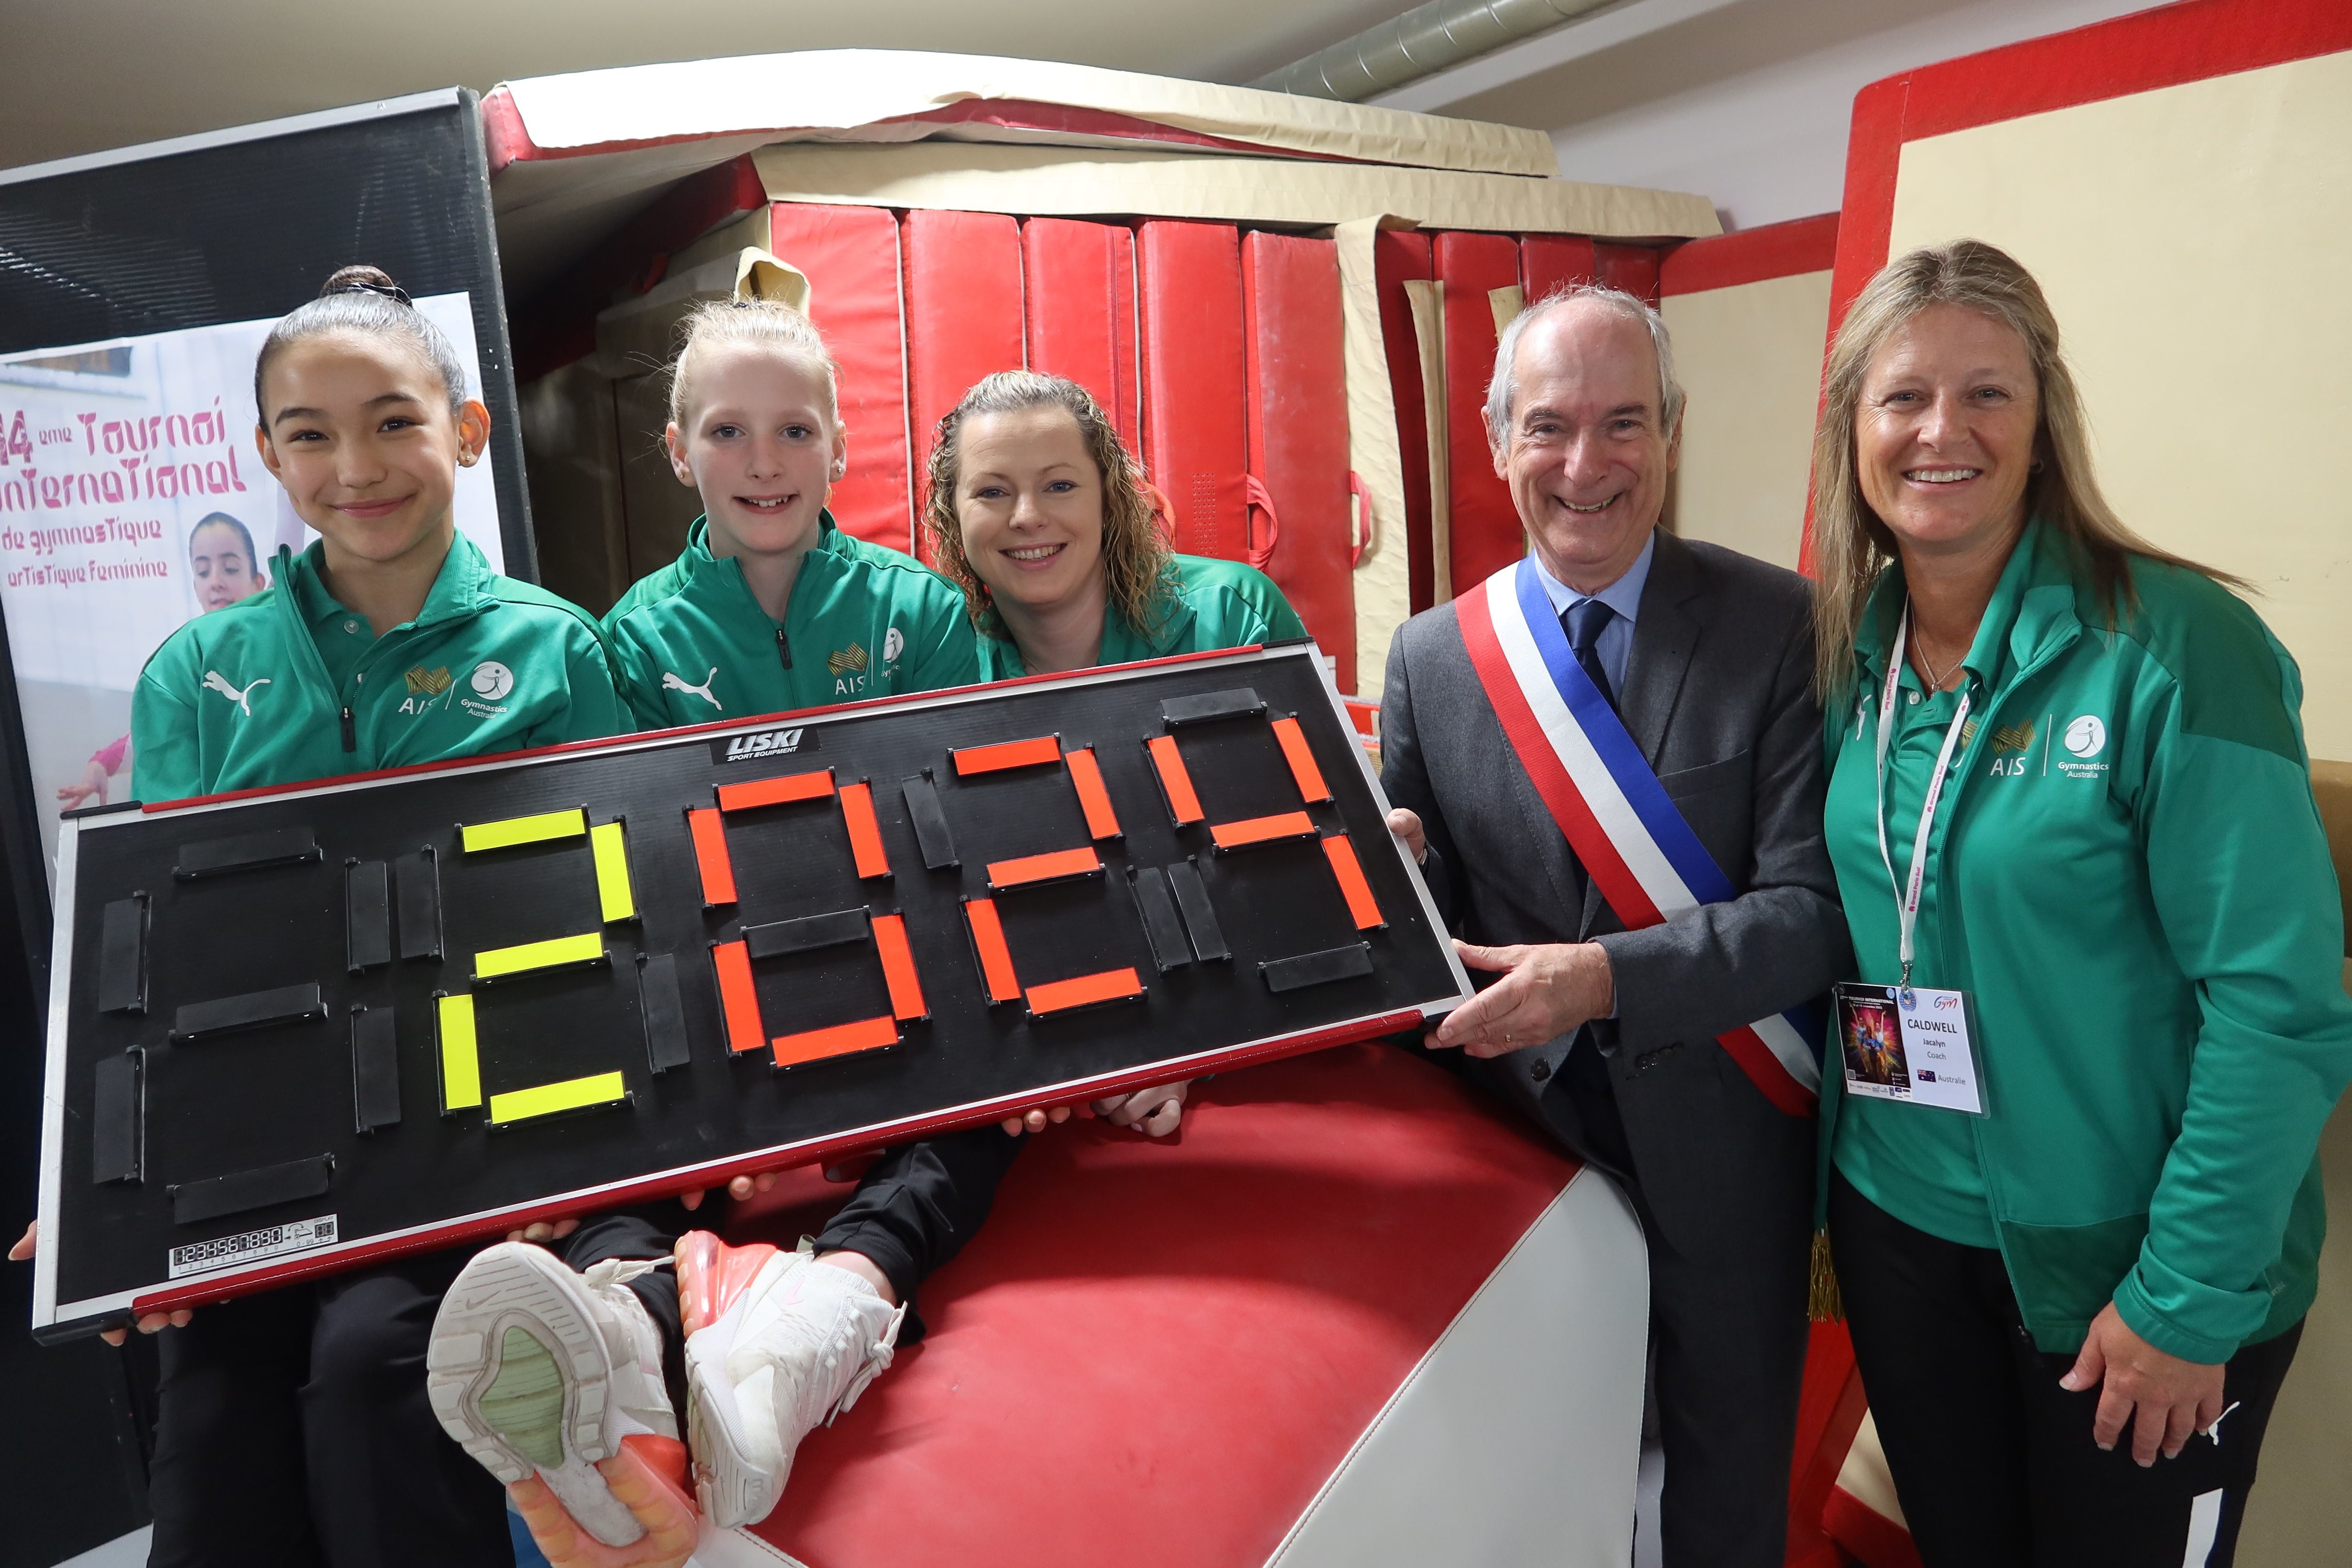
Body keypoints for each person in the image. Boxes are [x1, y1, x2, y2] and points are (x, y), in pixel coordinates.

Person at [5, 264, 667, 1568]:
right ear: (267, 454)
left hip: (465, 1154)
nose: (355, 465)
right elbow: (165, 961)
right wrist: (106, 1201)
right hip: (263, 1162)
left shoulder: (559, 651)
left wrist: (569, 1172)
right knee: (213, 1456)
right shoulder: (195, 673)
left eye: (392, 420)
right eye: (309, 433)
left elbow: (613, 934)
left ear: (465, 431)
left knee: (375, 1377)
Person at [1809, 239, 2352, 1566]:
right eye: (1905, 397)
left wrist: (2185, 1296)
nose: (1945, 430)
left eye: (1988, 393)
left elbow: (2281, 1007)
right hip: (1905, 1240)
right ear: (1854, 433)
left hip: (2133, 1267)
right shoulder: (1845, 651)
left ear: (2045, 422)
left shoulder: (2177, 650)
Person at [1379, 284, 1850, 1566]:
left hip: (1729, 1151)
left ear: (1675, 431)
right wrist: (1387, 881)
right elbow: (1416, 945)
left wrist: (1601, 979)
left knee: (1721, 1510)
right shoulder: (1430, 657)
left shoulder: (1785, 627)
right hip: (1521, 1169)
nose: (1586, 466)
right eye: (1549, 427)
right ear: (1496, 444)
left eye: (1624, 423)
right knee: (1532, 1499)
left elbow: (1812, 918)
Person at [55, 511, 271, 808]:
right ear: (195, 587)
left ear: (259, 583)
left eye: (231, 568)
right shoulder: (183, 664)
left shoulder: (286, 648)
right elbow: (162, 737)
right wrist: (101, 764)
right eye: (204, 572)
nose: (216, 582)